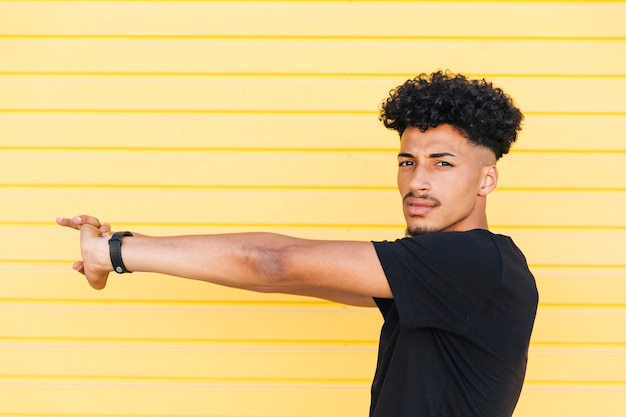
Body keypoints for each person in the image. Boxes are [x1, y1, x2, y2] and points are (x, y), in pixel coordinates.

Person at [57, 70, 538, 417]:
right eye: (407, 161)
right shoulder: (449, 273)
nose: (417, 181)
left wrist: (112, 253)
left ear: (487, 179)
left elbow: (274, 263)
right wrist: (130, 246)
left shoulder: (473, 260)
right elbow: (289, 278)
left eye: (443, 163)